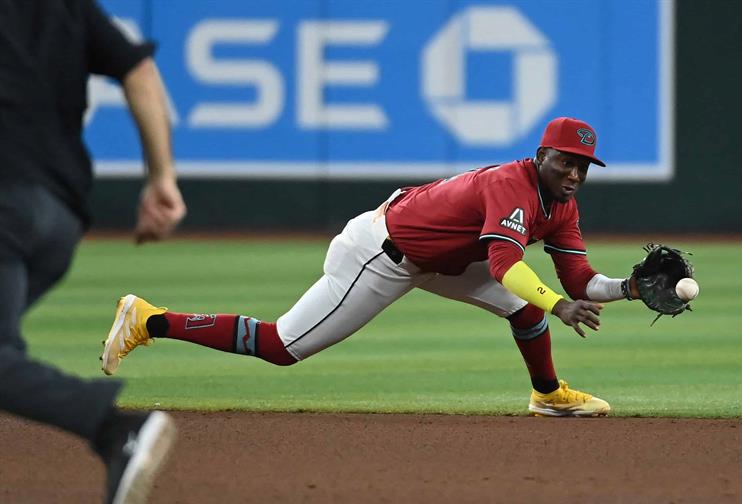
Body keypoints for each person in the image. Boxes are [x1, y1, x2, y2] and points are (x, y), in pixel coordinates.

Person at [102, 116, 640, 417]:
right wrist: (561, 304)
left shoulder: (562, 204)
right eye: (566, 160)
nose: (574, 173)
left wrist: (630, 287)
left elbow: (580, 280)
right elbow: (505, 263)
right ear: (542, 154)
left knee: (526, 310)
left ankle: (547, 396)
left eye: (584, 166)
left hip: (443, 255)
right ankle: (149, 319)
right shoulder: (511, 184)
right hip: (381, 255)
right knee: (281, 347)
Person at [0, 0, 186, 502]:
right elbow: (140, 71)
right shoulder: (65, 7)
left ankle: (114, 427)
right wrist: (161, 177)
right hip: (60, 219)